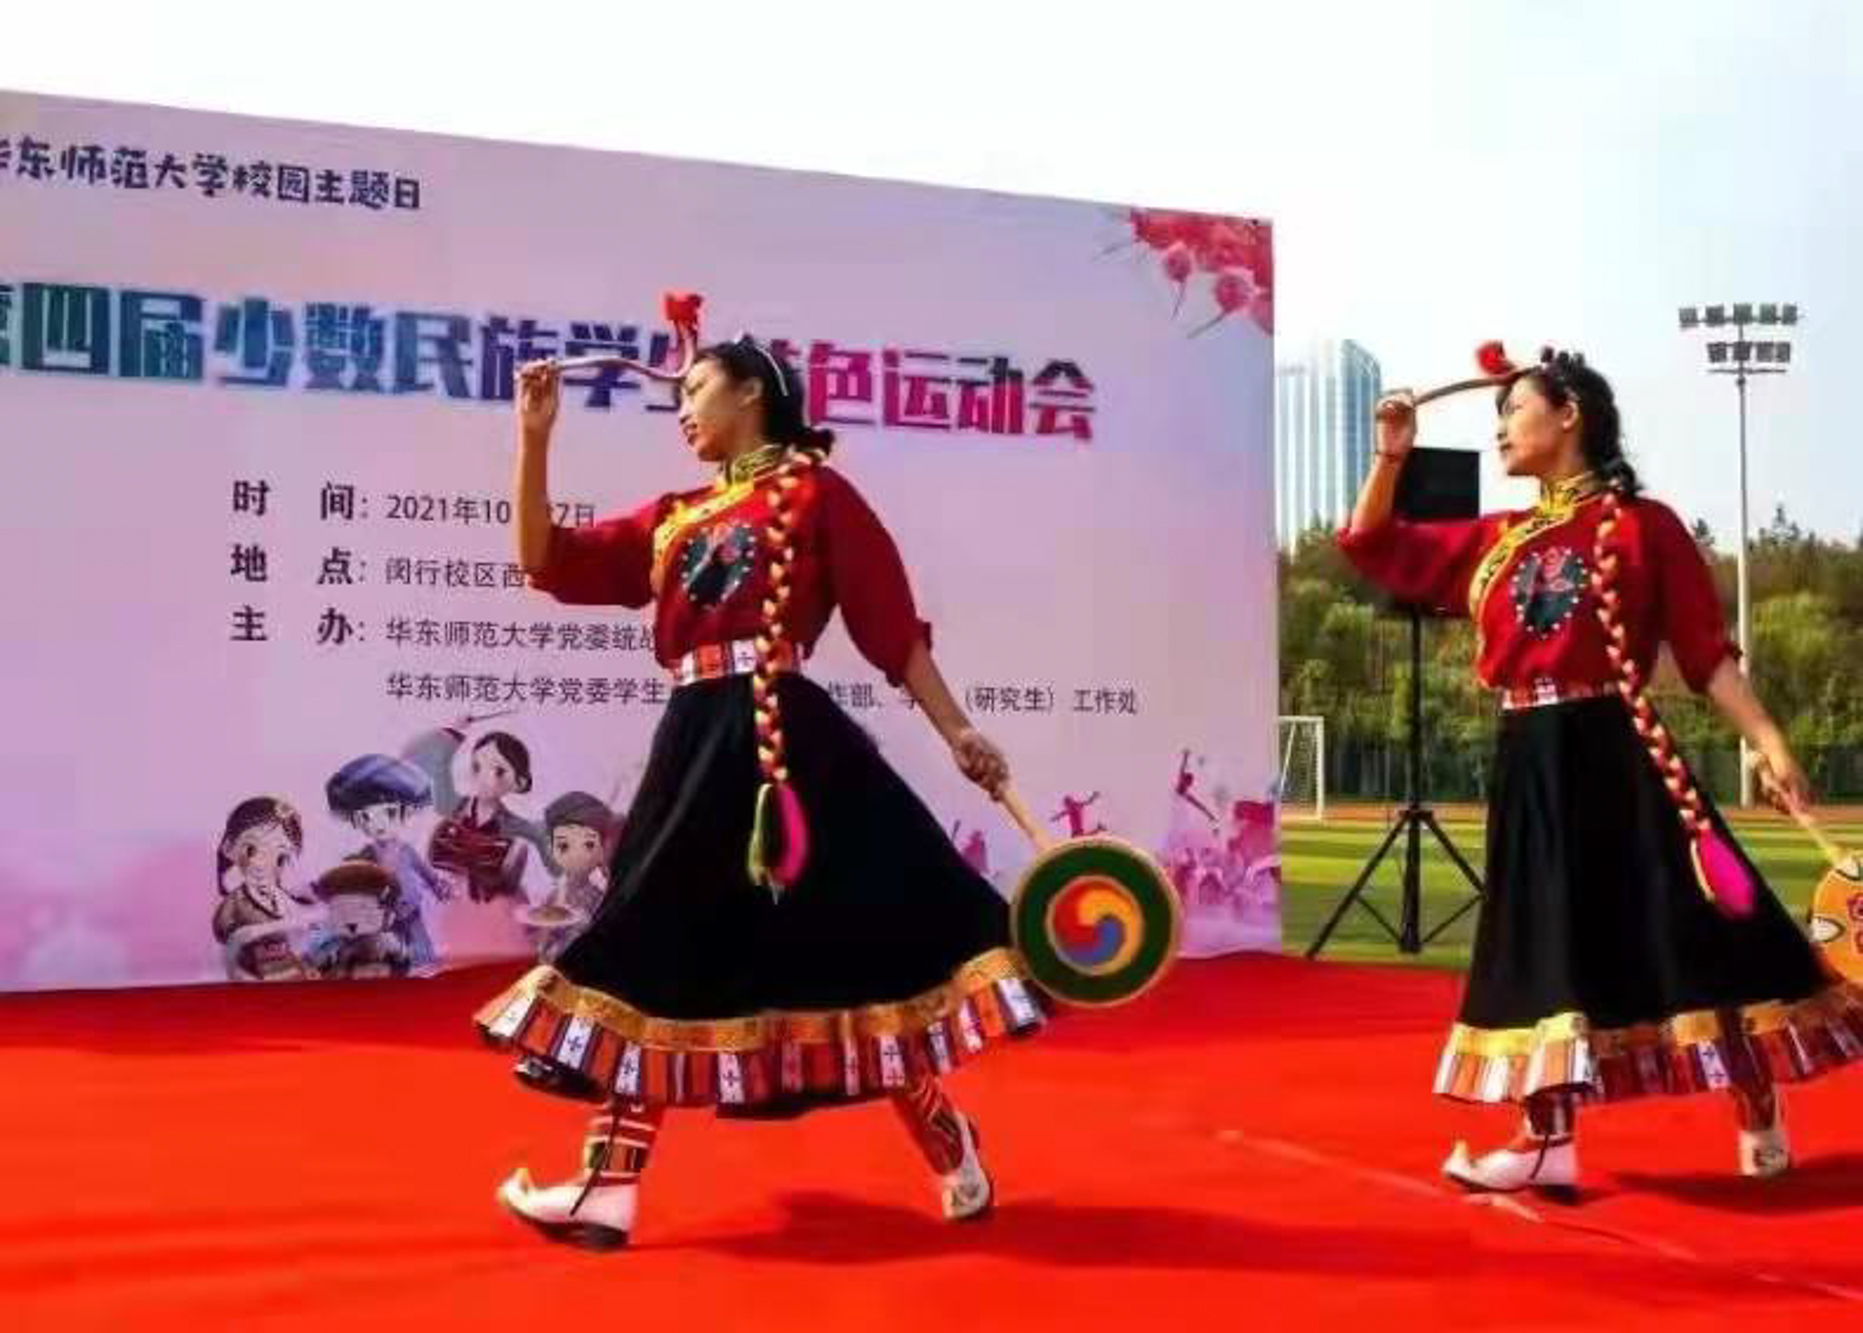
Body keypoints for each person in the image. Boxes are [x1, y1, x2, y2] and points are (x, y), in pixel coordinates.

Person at [476, 329, 1045, 1249]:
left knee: (845, 956)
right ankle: (608, 1188)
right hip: (696, 741)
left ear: (750, 392)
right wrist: (534, 437)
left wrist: (957, 731)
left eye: (695, 389)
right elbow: (545, 560)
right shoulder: (674, 515)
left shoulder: (816, 492)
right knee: (664, 942)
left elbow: (889, 625)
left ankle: (947, 1147)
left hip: (787, 748)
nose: (682, 411)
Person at [1338, 345, 1862, 1198]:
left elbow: (1704, 654)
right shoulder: (1498, 539)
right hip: (1528, 755)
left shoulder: (1645, 527)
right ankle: (1547, 1137)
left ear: (1568, 414)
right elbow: (1372, 543)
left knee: (1694, 922)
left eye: (1513, 408)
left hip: (1618, 746)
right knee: (1541, 937)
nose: (1500, 429)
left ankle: (1753, 1090)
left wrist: (1768, 742)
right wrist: (1389, 456)